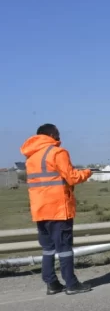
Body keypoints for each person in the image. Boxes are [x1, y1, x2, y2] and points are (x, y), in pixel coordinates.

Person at [20, 124, 93, 295]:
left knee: (48, 248)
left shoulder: (31, 157)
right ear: (52, 134)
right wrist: (87, 173)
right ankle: (71, 284)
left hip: (39, 209)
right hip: (58, 208)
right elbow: (72, 177)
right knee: (65, 248)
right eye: (58, 134)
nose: (60, 137)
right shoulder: (57, 152)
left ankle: (52, 284)